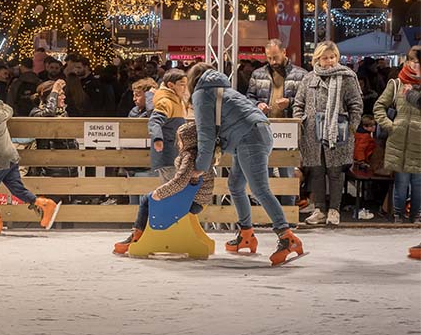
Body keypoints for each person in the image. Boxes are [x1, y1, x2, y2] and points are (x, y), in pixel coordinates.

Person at [187, 63, 305, 266]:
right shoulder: (223, 88)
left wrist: (200, 167)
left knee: (260, 188)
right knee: (235, 184)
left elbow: (205, 134)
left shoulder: (202, 94)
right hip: (256, 133)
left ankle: (287, 237)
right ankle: (246, 234)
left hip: (249, 137)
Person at [0, 87, 60, 234]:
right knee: (16, 188)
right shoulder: (0, 109)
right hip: (10, 155)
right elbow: (9, 111)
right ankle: (43, 204)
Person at [114, 120, 212, 254]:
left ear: (188, 141)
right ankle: (139, 232)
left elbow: (179, 182)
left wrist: (159, 193)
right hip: (198, 199)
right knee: (150, 198)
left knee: (147, 199)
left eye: (180, 140)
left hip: (190, 201)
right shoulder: (201, 155)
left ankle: (137, 235)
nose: (178, 144)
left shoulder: (189, 157)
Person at [293, 41, 363, 226]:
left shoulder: (347, 77)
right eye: (325, 58)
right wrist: (300, 120)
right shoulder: (309, 79)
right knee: (316, 171)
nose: (329, 61)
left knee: (335, 172)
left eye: (332, 57)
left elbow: (356, 104)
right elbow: (298, 103)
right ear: (318, 59)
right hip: (311, 134)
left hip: (338, 132)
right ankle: (319, 210)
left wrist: (352, 127)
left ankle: (334, 210)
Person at [246, 39, 308, 206]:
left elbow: (308, 102)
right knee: (262, 173)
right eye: (269, 58)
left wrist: (290, 102)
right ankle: (265, 212)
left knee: (287, 174)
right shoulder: (258, 74)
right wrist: (257, 105)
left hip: (288, 131)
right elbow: (249, 98)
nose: (272, 61)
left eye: (275, 57)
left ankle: (287, 212)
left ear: (284, 53)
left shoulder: (301, 74)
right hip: (262, 129)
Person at [373, 45, 421, 223]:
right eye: (413, 60)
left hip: (419, 142)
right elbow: (379, 107)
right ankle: (398, 216)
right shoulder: (396, 84)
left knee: (418, 184)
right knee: (401, 183)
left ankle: (417, 215)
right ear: (407, 61)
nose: (415, 64)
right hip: (398, 141)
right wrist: (390, 125)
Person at [147, 69, 188, 182]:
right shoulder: (166, 102)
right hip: (168, 155)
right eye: (182, 85)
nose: (184, 88)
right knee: (170, 191)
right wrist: (158, 139)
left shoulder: (176, 101)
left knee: (172, 190)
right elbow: (154, 121)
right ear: (171, 85)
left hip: (174, 154)